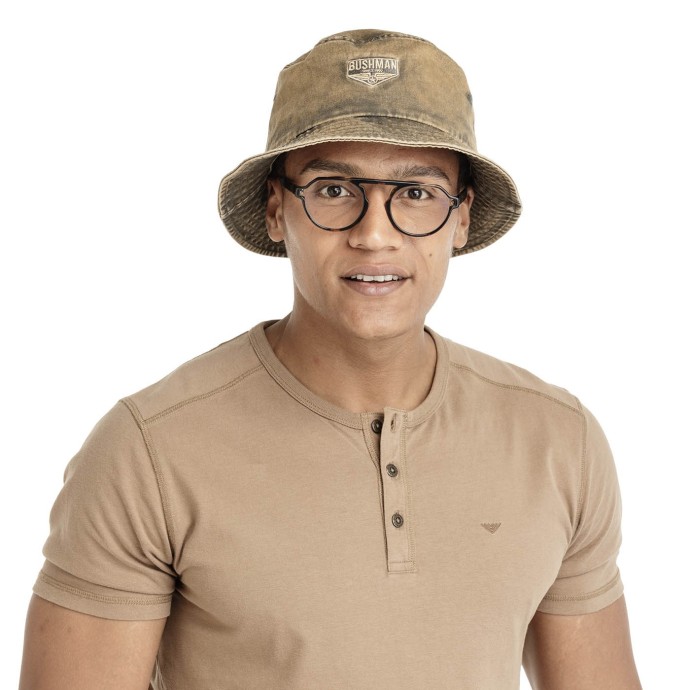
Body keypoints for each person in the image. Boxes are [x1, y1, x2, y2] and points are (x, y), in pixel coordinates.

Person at [19, 29, 641, 689]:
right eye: (335, 189)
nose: (374, 235)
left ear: (461, 218)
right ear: (276, 209)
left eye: (417, 193)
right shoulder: (147, 452)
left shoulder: (558, 441)